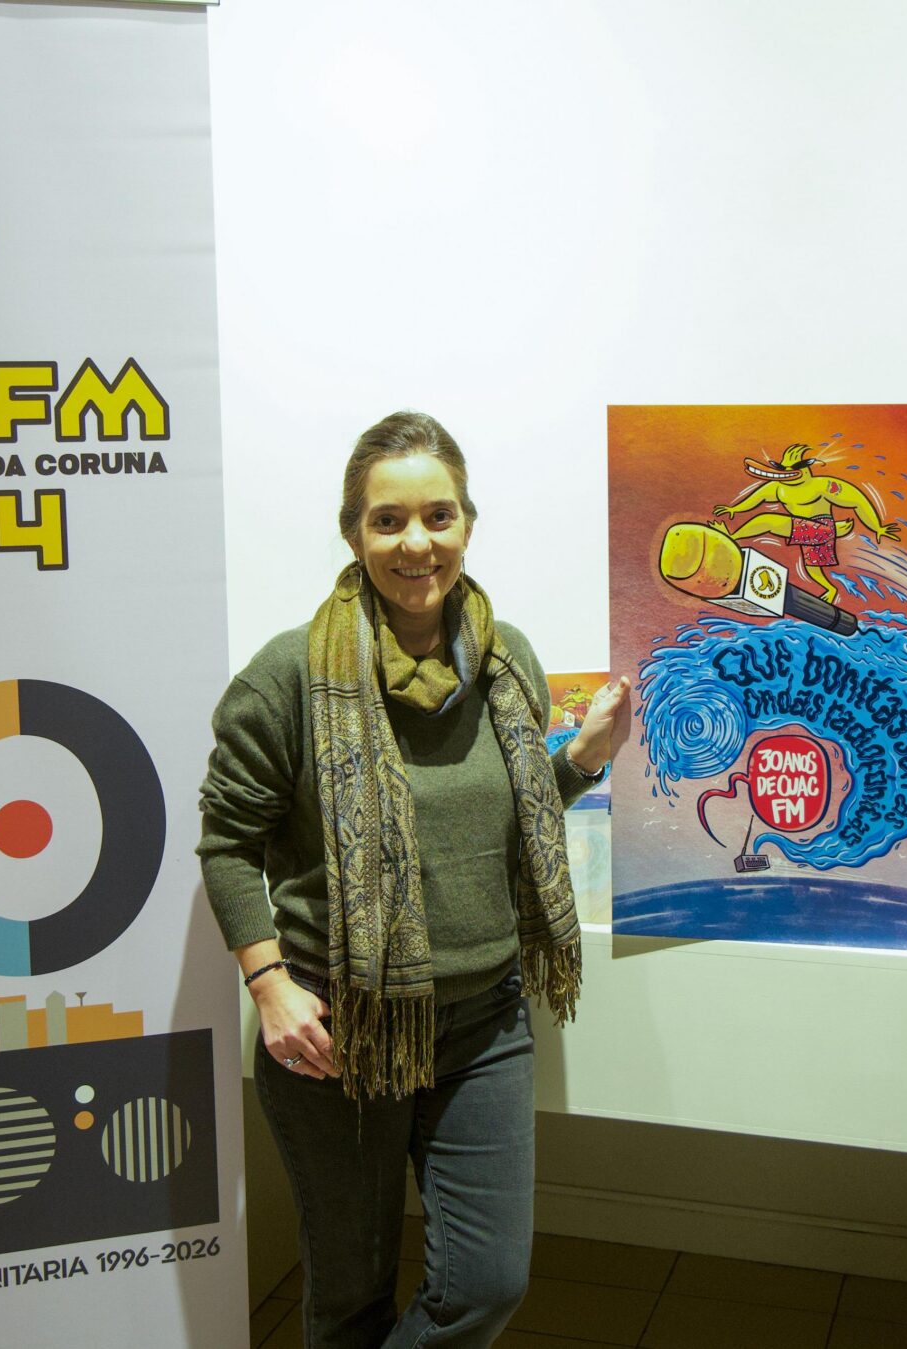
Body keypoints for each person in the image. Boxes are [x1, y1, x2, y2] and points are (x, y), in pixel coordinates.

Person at [197, 410, 631, 1349]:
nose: (416, 542)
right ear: (353, 533)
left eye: (438, 515)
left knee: (485, 1283)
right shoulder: (288, 678)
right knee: (348, 1297)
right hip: (336, 1036)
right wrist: (269, 985)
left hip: (485, 1024)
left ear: (468, 522)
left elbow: (507, 817)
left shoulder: (505, 656)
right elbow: (227, 843)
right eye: (388, 520)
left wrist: (583, 762)